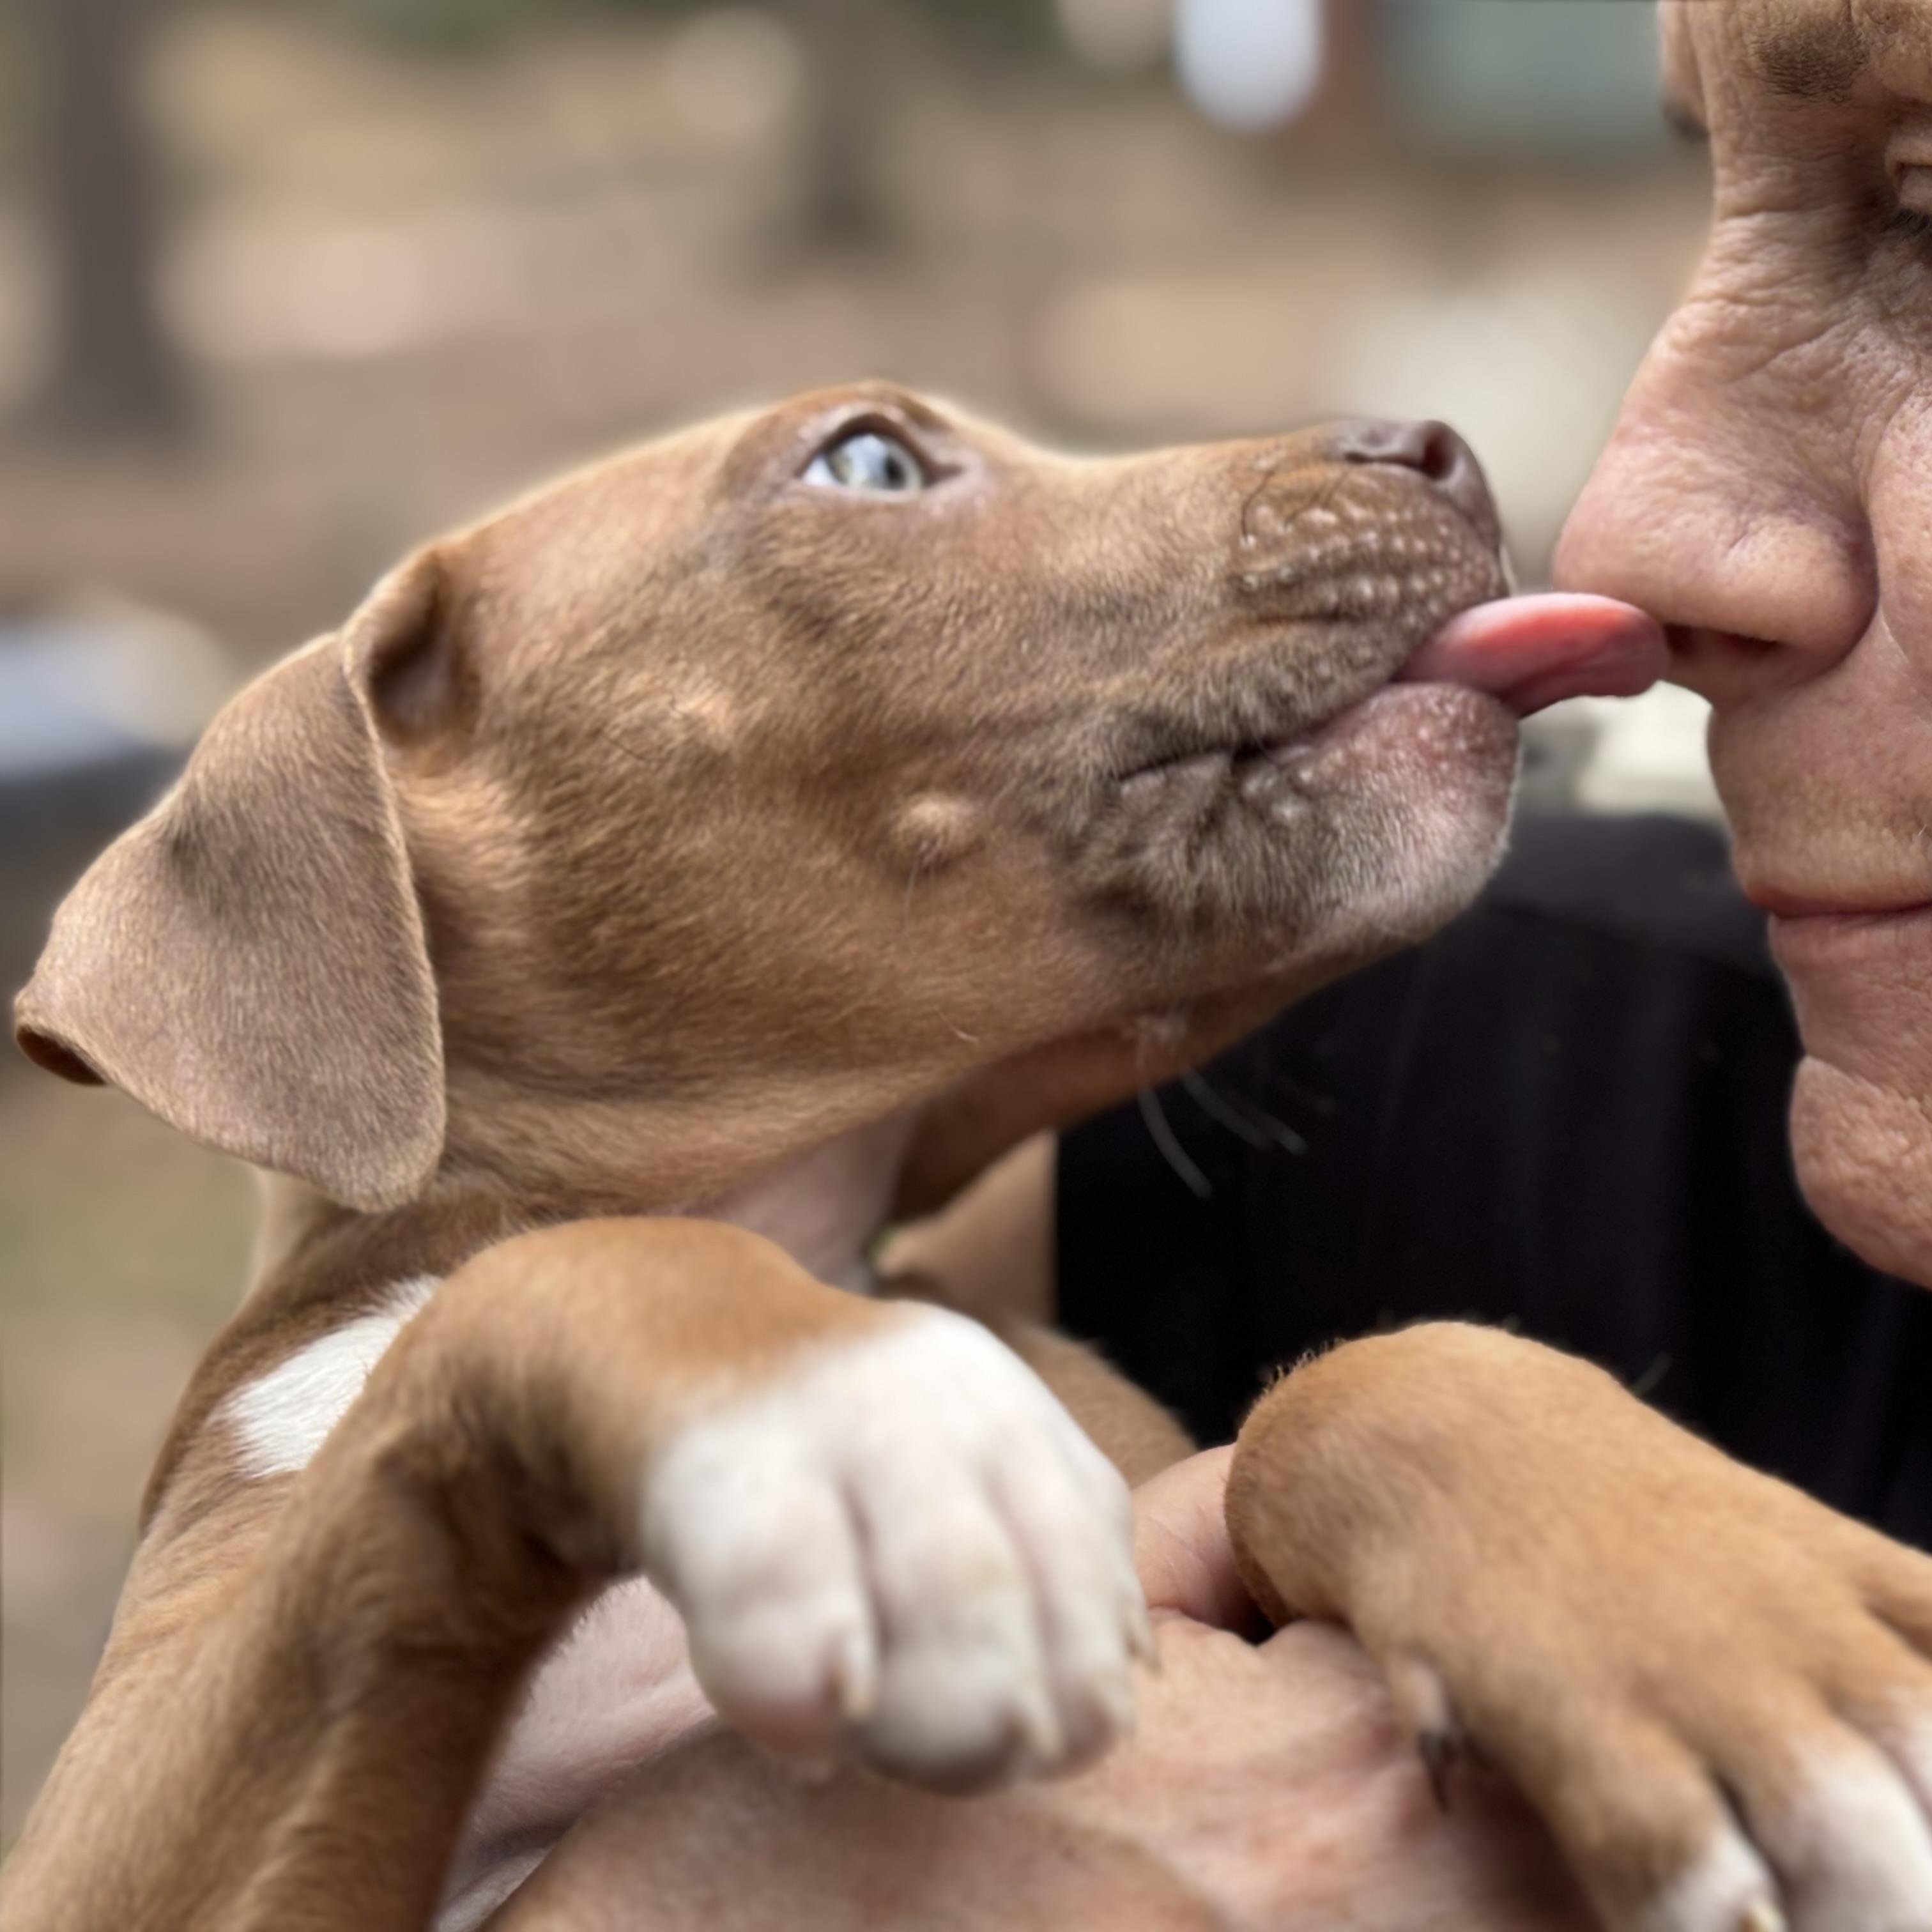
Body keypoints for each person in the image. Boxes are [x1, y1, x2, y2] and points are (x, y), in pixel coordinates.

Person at [889, 0, 1932, 1919]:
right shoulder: (1462, 1070)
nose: (1633, 534)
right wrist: (1299, 1475)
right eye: (1704, 178)